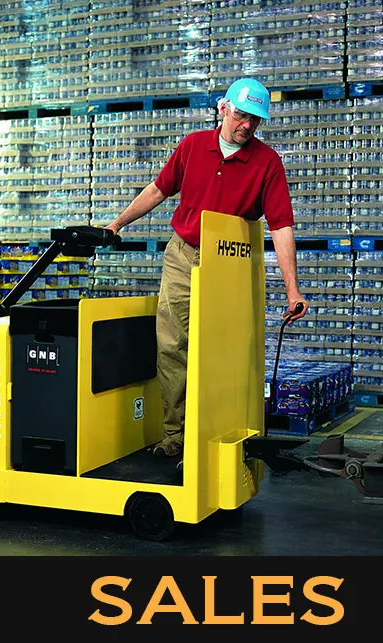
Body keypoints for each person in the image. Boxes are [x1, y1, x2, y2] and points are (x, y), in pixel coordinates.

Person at [102, 77, 307, 457]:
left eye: (255, 120)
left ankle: (215, 437)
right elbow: (158, 190)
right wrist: (117, 224)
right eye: (242, 115)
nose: (247, 125)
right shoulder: (193, 146)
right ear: (223, 109)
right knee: (172, 346)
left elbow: (281, 226)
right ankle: (176, 435)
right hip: (182, 256)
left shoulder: (267, 163)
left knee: (221, 352)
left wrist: (292, 288)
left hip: (229, 261)